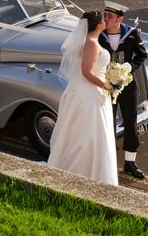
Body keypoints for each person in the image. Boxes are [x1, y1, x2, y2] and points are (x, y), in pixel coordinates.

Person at [47, 11, 118, 186]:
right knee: (89, 133)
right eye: (104, 19)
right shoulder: (92, 44)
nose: (106, 21)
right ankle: (87, 170)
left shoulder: (88, 42)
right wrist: (106, 85)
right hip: (90, 93)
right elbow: (87, 72)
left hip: (85, 91)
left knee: (82, 131)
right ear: (98, 25)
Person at [99, 1, 148, 179]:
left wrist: (129, 66)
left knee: (130, 122)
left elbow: (142, 55)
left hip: (127, 85)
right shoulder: (99, 35)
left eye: (109, 16)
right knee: (107, 122)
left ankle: (130, 162)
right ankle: (109, 160)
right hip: (105, 85)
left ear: (119, 19)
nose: (105, 19)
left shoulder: (132, 34)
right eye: (104, 15)